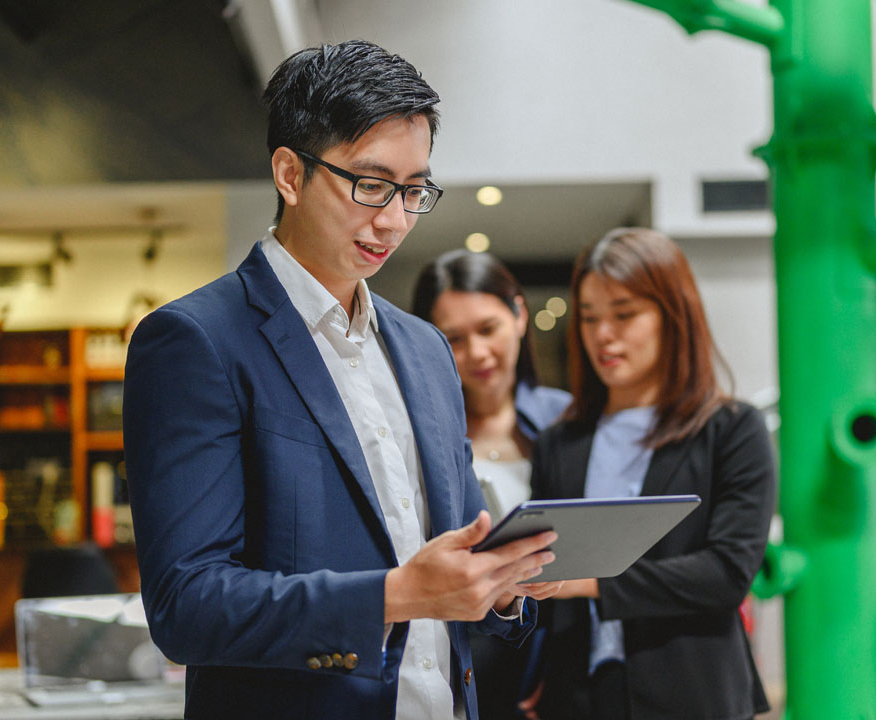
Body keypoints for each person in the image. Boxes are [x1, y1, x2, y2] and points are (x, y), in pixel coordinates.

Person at [123, 40, 561, 720]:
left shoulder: (425, 349)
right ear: (290, 175)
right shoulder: (197, 341)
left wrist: (500, 584)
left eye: (415, 190)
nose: (394, 220)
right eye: (371, 184)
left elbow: (462, 550)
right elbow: (188, 607)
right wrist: (396, 594)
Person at [523, 228, 775, 720]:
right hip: (578, 694)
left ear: (673, 316)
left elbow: (726, 574)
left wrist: (589, 580)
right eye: (590, 318)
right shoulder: (560, 442)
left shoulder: (731, 430)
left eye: (624, 314)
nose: (602, 335)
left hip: (692, 691)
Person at [411, 250, 571, 718]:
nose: (476, 353)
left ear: (519, 315)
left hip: (549, 658)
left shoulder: (568, 420)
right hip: (455, 657)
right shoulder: (420, 432)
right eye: (454, 339)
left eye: (487, 329)